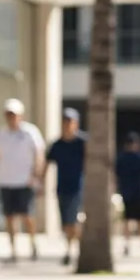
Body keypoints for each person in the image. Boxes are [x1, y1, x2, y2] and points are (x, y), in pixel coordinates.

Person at [0, 99, 45, 264]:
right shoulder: (2, 134)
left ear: (20, 116)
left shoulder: (30, 132)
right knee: (9, 218)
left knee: (27, 216)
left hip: (25, 182)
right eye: (8, 114)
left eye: (14, 114)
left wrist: (36, 175)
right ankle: (13, 251)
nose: (11, 117)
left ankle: (33, 245)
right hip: (6, 181)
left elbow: (39, 154)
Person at [43, 108, 88, 266]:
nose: (68, 124)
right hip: (62, 187)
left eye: (71, 121)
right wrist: (41, 184)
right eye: (65, 121)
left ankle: (73, 250)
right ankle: (70, 247)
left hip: (79, 187)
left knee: (74, 220)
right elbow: (47, 164)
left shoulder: (83, 143)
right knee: (65, 222)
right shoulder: (57, 145)